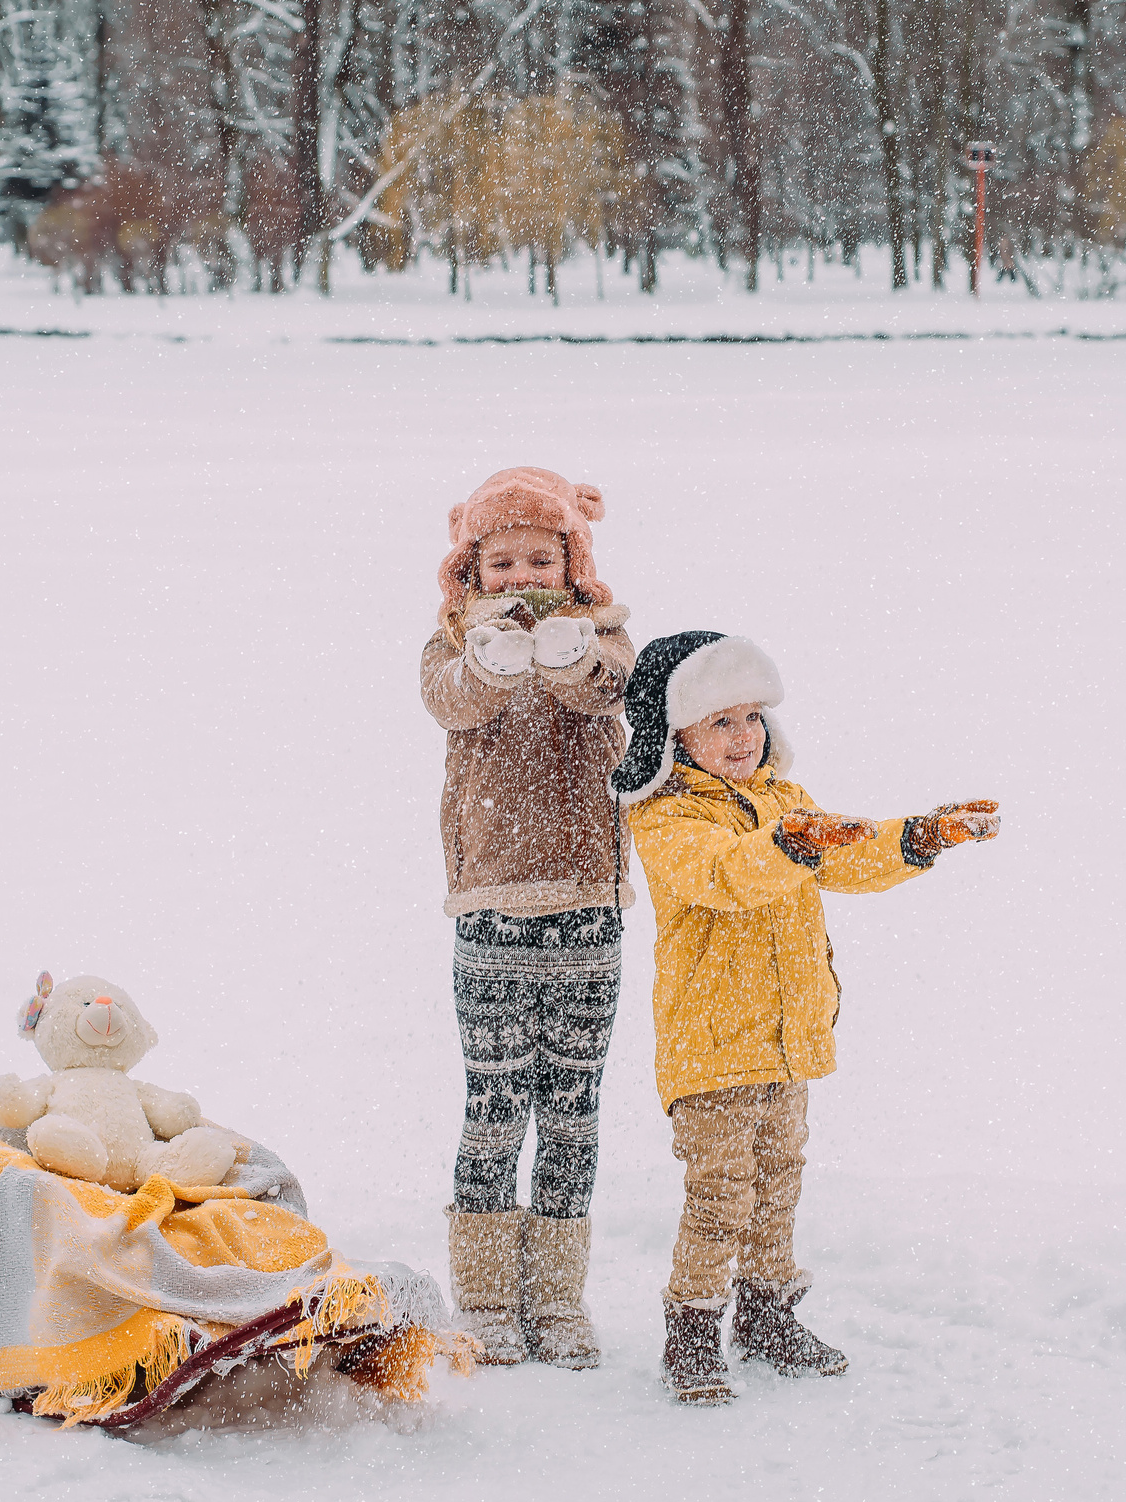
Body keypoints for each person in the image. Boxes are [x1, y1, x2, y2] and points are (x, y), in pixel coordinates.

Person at [612, 631, 1001, 1404]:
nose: (743, 736)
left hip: (789, 1039)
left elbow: (849, 856)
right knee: (721, 1193)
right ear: (674, 731)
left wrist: (921, 836)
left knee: (777, 1184)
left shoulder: (786, 802)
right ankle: (691, 1331)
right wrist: (785, 845)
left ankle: (765, 1315)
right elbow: (725, 875)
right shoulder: (667, 817)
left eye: (751, 716)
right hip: (713, 1041)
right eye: (720, 721)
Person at [419, 467, 637, 1369]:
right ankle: (485, 1297)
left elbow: (608, 691)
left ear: (570, 557)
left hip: (588, 902)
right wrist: (492, 656)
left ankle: (557, 1294)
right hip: (491, 906)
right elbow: (451, 702)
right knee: (496, 1104)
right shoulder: (448, 643)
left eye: (538, 556)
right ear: (472, 565)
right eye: (500, 559)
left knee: (574, 1110)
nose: (519, 574)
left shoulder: (607, 633)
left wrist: (565, 647)